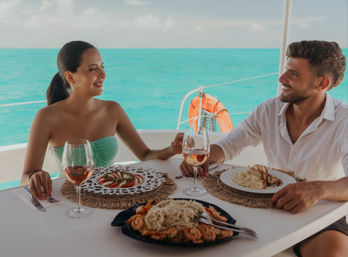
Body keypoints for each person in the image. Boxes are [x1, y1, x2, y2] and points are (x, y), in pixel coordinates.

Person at [180, 40, 348, 257]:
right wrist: (205, 157)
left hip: (320, 217)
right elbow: (229, 145)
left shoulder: (344, 120)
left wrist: (317, 190)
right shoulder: (268, 110)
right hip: (268, 207)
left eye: (293, 74)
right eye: (286, 71)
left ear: (322, 83)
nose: (282, 79)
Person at [21, 40, 183, 200]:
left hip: (112, 197)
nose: (103, 74)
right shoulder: (46, 117)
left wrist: (171, 149)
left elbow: (145, 155)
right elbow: (26, 176)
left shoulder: (113, 110)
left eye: (102, 67)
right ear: (70, 77)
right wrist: (35, 177)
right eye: (93, 69)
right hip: (70, 200)